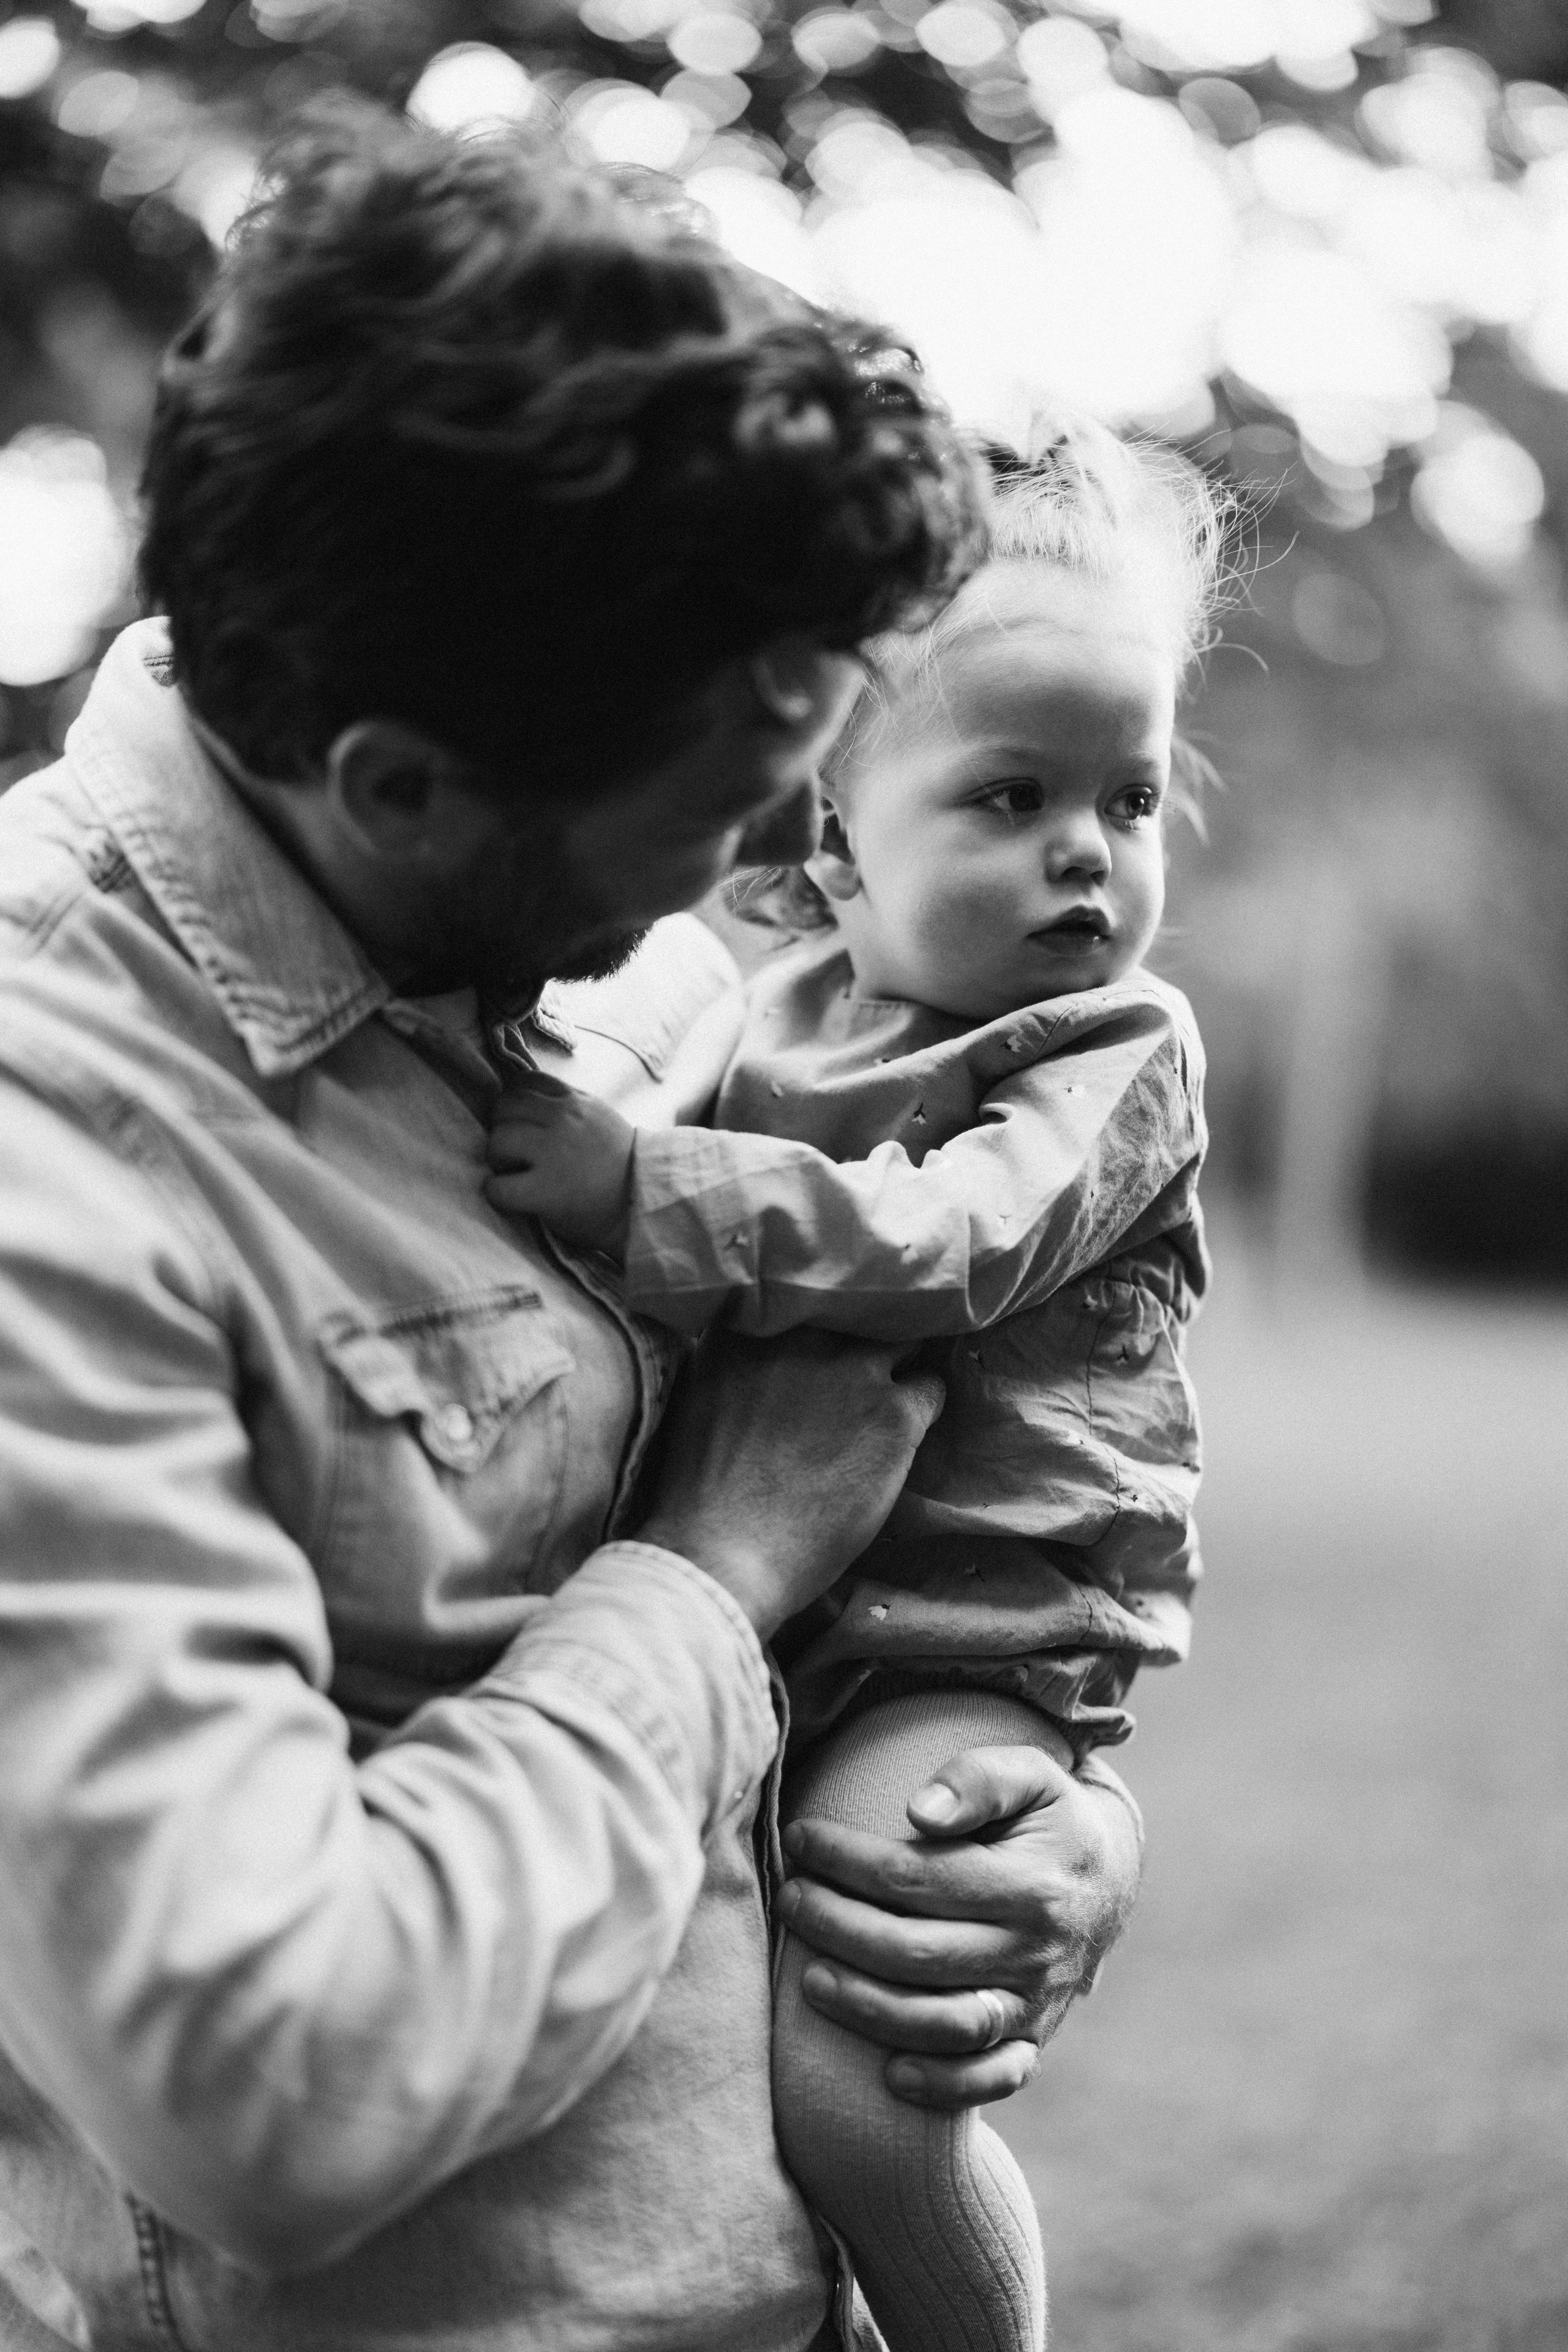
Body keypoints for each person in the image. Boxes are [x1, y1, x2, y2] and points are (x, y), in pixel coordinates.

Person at [0, 107, 1145, 2352]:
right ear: (400, 780)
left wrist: (1042, 1832)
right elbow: (262, 2084)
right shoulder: (56, 1145)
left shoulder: (586, 941)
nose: (753, 887)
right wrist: (713, 1586)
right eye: (722, 815)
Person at [488, 421, 1226, 2351]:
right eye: (1009, 794)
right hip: (766, 1619)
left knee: (855, 2096)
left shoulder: (1111, 1053)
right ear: (833, 840)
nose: (1089, 851)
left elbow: (958, 1239)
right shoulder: (757, 999)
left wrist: (643, 1190)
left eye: (1130, 798)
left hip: (963, 1639)